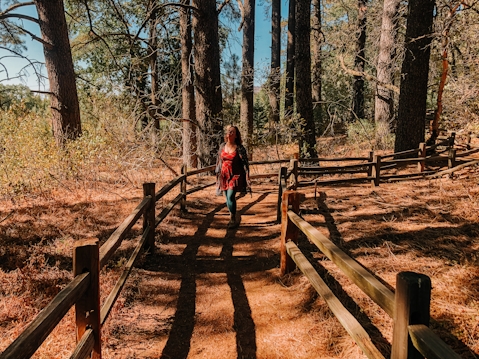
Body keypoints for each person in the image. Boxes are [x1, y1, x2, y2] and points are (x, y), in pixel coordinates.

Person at [215, 125, 250, 228]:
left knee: (230, 195)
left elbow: (245, 163)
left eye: (232, 132)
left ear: (236, 135)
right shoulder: (222, 146)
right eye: (229, 131)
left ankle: (233, 218)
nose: (230, 133)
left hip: (235, 175)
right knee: (227, 197)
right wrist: (217, 175)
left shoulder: (239, 148)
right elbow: (219, 161)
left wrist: (247, 176)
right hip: (224, 175)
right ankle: (232, 214)